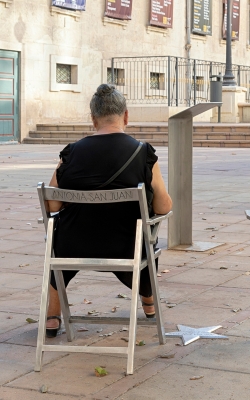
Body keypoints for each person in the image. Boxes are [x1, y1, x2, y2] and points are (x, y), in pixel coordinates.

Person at [43, 84, 173, 337]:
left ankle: (52, 316)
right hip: (126, 246)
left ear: (93, 119)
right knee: (149, 239)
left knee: (58, 239)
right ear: (126, 115)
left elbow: (53, 204)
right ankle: (148, 304)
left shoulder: (70, 153)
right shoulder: (143, 153)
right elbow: (162, 207)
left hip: (72, 245)